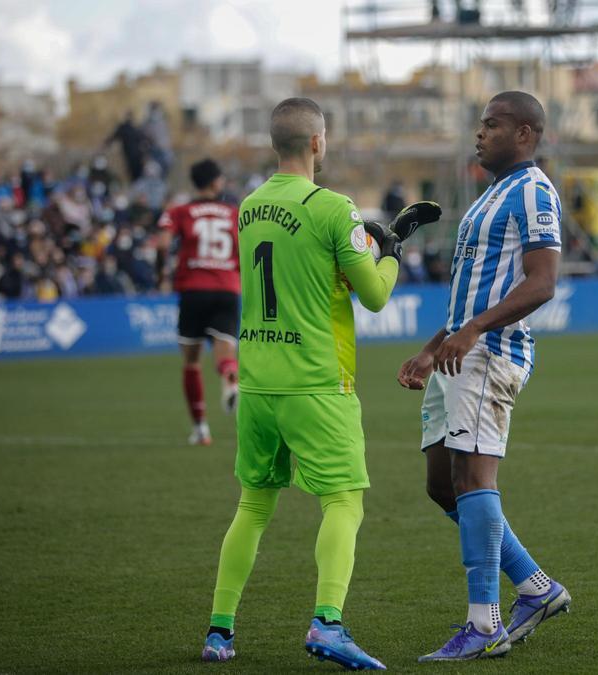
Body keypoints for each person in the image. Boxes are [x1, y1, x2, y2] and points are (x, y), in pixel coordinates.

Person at [199, 97, 406, 670]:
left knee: (254, 506)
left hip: (258, 382)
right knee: (342, 501)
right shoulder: (333, 207)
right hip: (317, 384)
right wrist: (389, 252)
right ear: (318, 142)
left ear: (275, 144)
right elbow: (376, 295)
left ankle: (219, 631)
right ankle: (328, 624)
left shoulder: (248, 207)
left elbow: (301, 275)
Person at [397, 90, 571, 662]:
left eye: (492, 125)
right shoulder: (489, 198)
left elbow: (542, 282)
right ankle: (537, 589)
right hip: (458, 352)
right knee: (441, 485)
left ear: (525, 133)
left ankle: (484, 624)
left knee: (474, 480)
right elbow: (474, 290)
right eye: (480, 124)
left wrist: (472, 334)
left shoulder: (534, 191)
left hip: (491, 352)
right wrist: (435, 346)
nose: (480, 133)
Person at [156, 159, 242, 446]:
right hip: (227, 288)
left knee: (191, 362)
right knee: (225, 348)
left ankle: (201, 429)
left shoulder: (180, 211)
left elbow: (163, 243)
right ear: (216, 182)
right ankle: (230, 376)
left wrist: (161, 274)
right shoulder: (233, 213)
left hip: (193, 288)